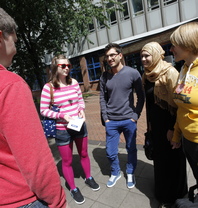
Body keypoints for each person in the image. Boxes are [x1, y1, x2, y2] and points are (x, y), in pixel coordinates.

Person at [0, 8, 67, 208]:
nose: (17, 46)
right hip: (19, 197)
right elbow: (36, 162)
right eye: (15, 39)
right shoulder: (11, 86)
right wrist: (59, 202)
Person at [40, 54, 100, 205]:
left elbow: (80, 100)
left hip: (79, 125)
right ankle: (73, 188)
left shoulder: (73, 82)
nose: (67, 68)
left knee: (84, 153)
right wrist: (61, 116)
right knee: (66, 161)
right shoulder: (49, 88)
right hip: (62, 129)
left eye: (69, 66)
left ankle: (89, 178)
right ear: (55, 68)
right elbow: (43, 110)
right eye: (63, 66)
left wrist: (82, 110)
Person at [141, 41, 188, 208]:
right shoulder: (147, 75)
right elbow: (150, 104)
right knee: (160, 161)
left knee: (174, 160)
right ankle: (162, 193)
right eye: (142, 56)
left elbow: (178, 104)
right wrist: (150, 126)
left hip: (171, 125)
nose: (144, 59)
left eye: (147, 55)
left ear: (156, 54)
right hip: (156, 126)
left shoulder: (170, 73)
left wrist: (172, 129)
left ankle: (177, 194)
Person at [100, 43, 145, 189]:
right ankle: (115, 172)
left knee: (131, 149)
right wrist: (105, 117)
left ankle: (130, 172)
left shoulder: (132, 73)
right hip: (111, 121)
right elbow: (102, 98)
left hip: (128, 120)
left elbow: (141, 96)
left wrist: (135, 116)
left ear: (120, 55)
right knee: (110, 152)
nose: (110, 58)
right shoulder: (104, 76)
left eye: (112, 55)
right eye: (107, 56)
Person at [170, 22, 198, 190]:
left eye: (174, 45)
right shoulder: (184, 69)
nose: (171, 49)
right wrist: (177, 134)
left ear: (188, 44)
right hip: (188, 140)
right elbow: (182, 107)